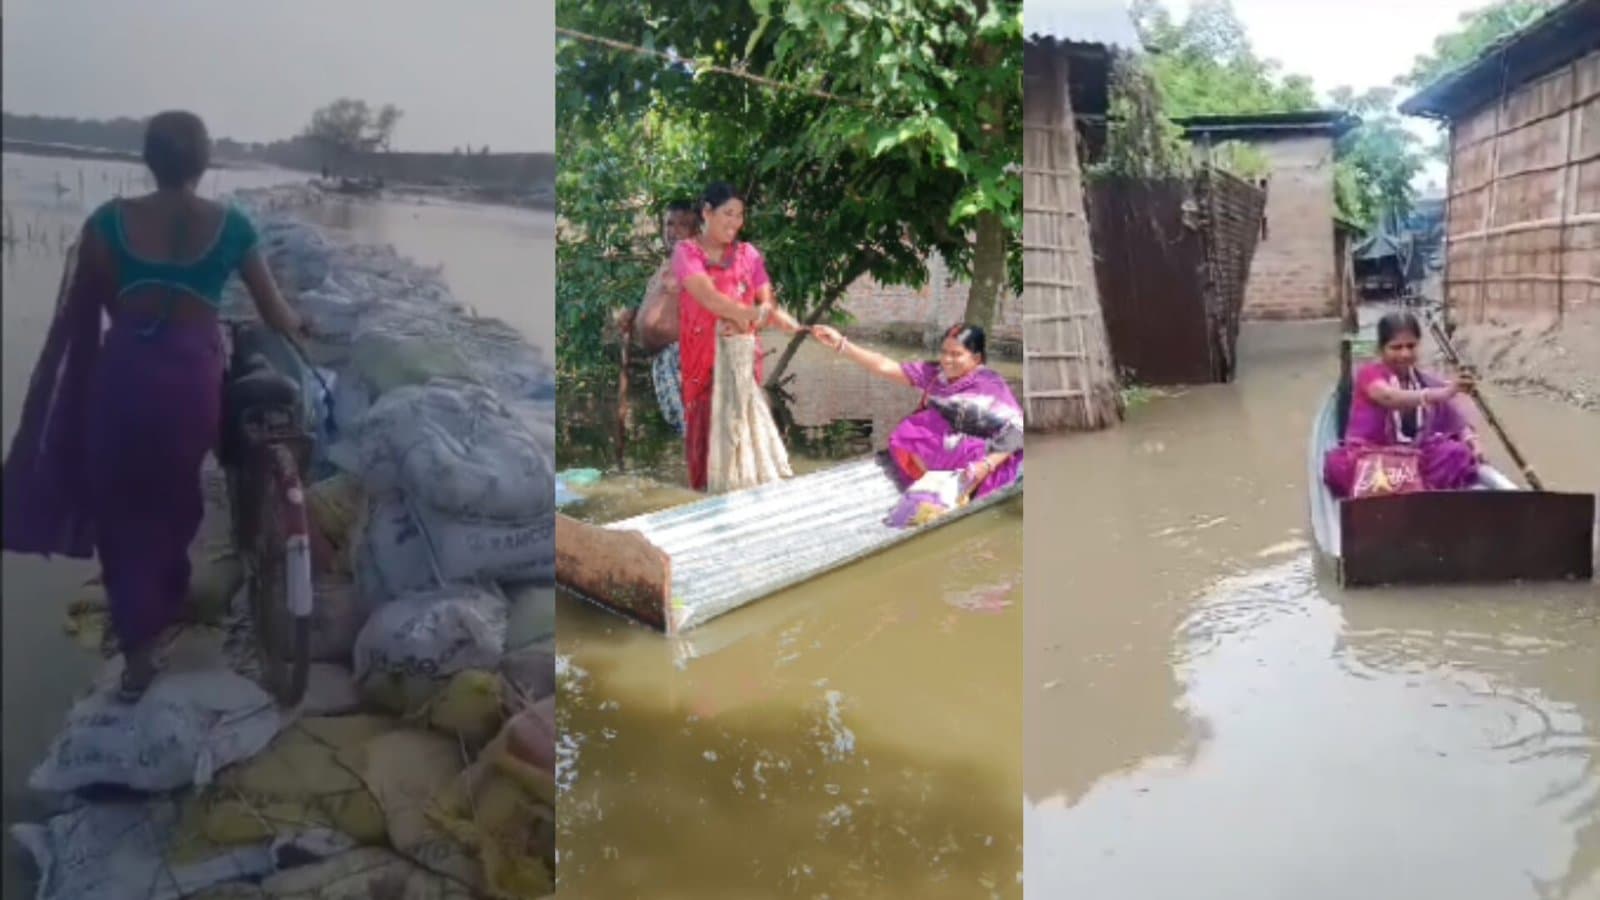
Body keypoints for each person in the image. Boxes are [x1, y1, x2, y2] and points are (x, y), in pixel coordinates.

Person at [2, 111, 310, 702]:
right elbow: (275, 314)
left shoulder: (106, 223)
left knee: (120, 511)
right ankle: (164, 598)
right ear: (204, 162)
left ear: (147, 160)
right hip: (190, 385)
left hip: (122, 381)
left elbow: (83, 314)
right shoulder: (234, 228)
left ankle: (138, 655)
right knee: (173, 502)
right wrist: (301, 323)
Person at [671, 182, 805, 491]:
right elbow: (710, 299)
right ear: (706, 212)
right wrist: (750, 315)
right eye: (727, 213)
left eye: (740, 215)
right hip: (702, 368)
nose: (734, 222)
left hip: (742, 365)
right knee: (707, 454)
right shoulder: (686, 253)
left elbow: (766, 299)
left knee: (746, 447)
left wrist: (766, 313)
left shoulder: (748, 255)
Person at [809, 322, 1024, 501]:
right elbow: (885, 366)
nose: (947, 360)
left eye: (956, 354)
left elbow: (1016, 431)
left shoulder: (990, 385)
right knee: (913, 429)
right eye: (944, 352)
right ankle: (934, 482)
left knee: (940, 428)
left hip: (990, 460)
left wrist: (986, 466)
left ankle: (964, 489)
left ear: (976, 359)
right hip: (950, 458)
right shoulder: (936, 375)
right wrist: (840, 344)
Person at [1323, 311, 1482, 499]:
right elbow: (1389, 397)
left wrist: (1473, 441)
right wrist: (1444, 393)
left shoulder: (1425, 382)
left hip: (1413, 459)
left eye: (1411, 346)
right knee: (1338, 465)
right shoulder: (1369, 375)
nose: (1405, 354)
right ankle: (1414, 491)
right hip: (1372, 458)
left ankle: (1417, 493)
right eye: (1396, 347)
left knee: (1457, 453)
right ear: (1381, 350)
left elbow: (1456, 420)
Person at [616, 199, 699, 434]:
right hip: (664, 360)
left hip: (682, 358)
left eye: (682, 225)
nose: (673, 231)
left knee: (694, 429)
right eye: (669, 224)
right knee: (684, 428)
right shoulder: (667, 264)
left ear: (696, 230)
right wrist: (634, 314)